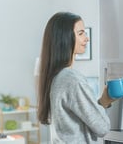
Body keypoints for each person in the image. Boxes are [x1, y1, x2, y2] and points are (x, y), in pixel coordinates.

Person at [37, 12, 115, 144]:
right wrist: (105, 101)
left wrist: (101, 102)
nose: (87, 38)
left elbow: (77, 121)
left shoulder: (55, 77)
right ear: (65, 38)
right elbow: (102, 127)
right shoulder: (72, 80)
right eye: (81, 33)